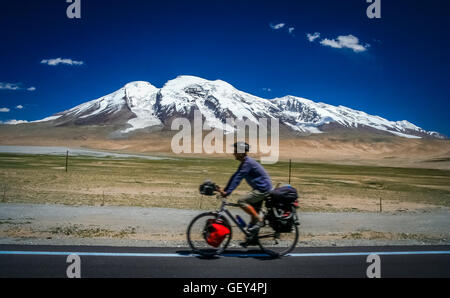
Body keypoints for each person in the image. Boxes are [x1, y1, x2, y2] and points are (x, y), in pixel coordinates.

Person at [217, 142, 273, 235]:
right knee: (254, 212)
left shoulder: (247, 163)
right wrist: (226, 190)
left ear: (241, 152)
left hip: (263, 189)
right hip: (260, 188)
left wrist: (227, 192)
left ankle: (260, 220)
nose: (233, 153)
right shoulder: (245, 163)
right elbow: (235, 176)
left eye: (235, 151)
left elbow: (238, 178)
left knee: (241, 201)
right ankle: (253, 239)